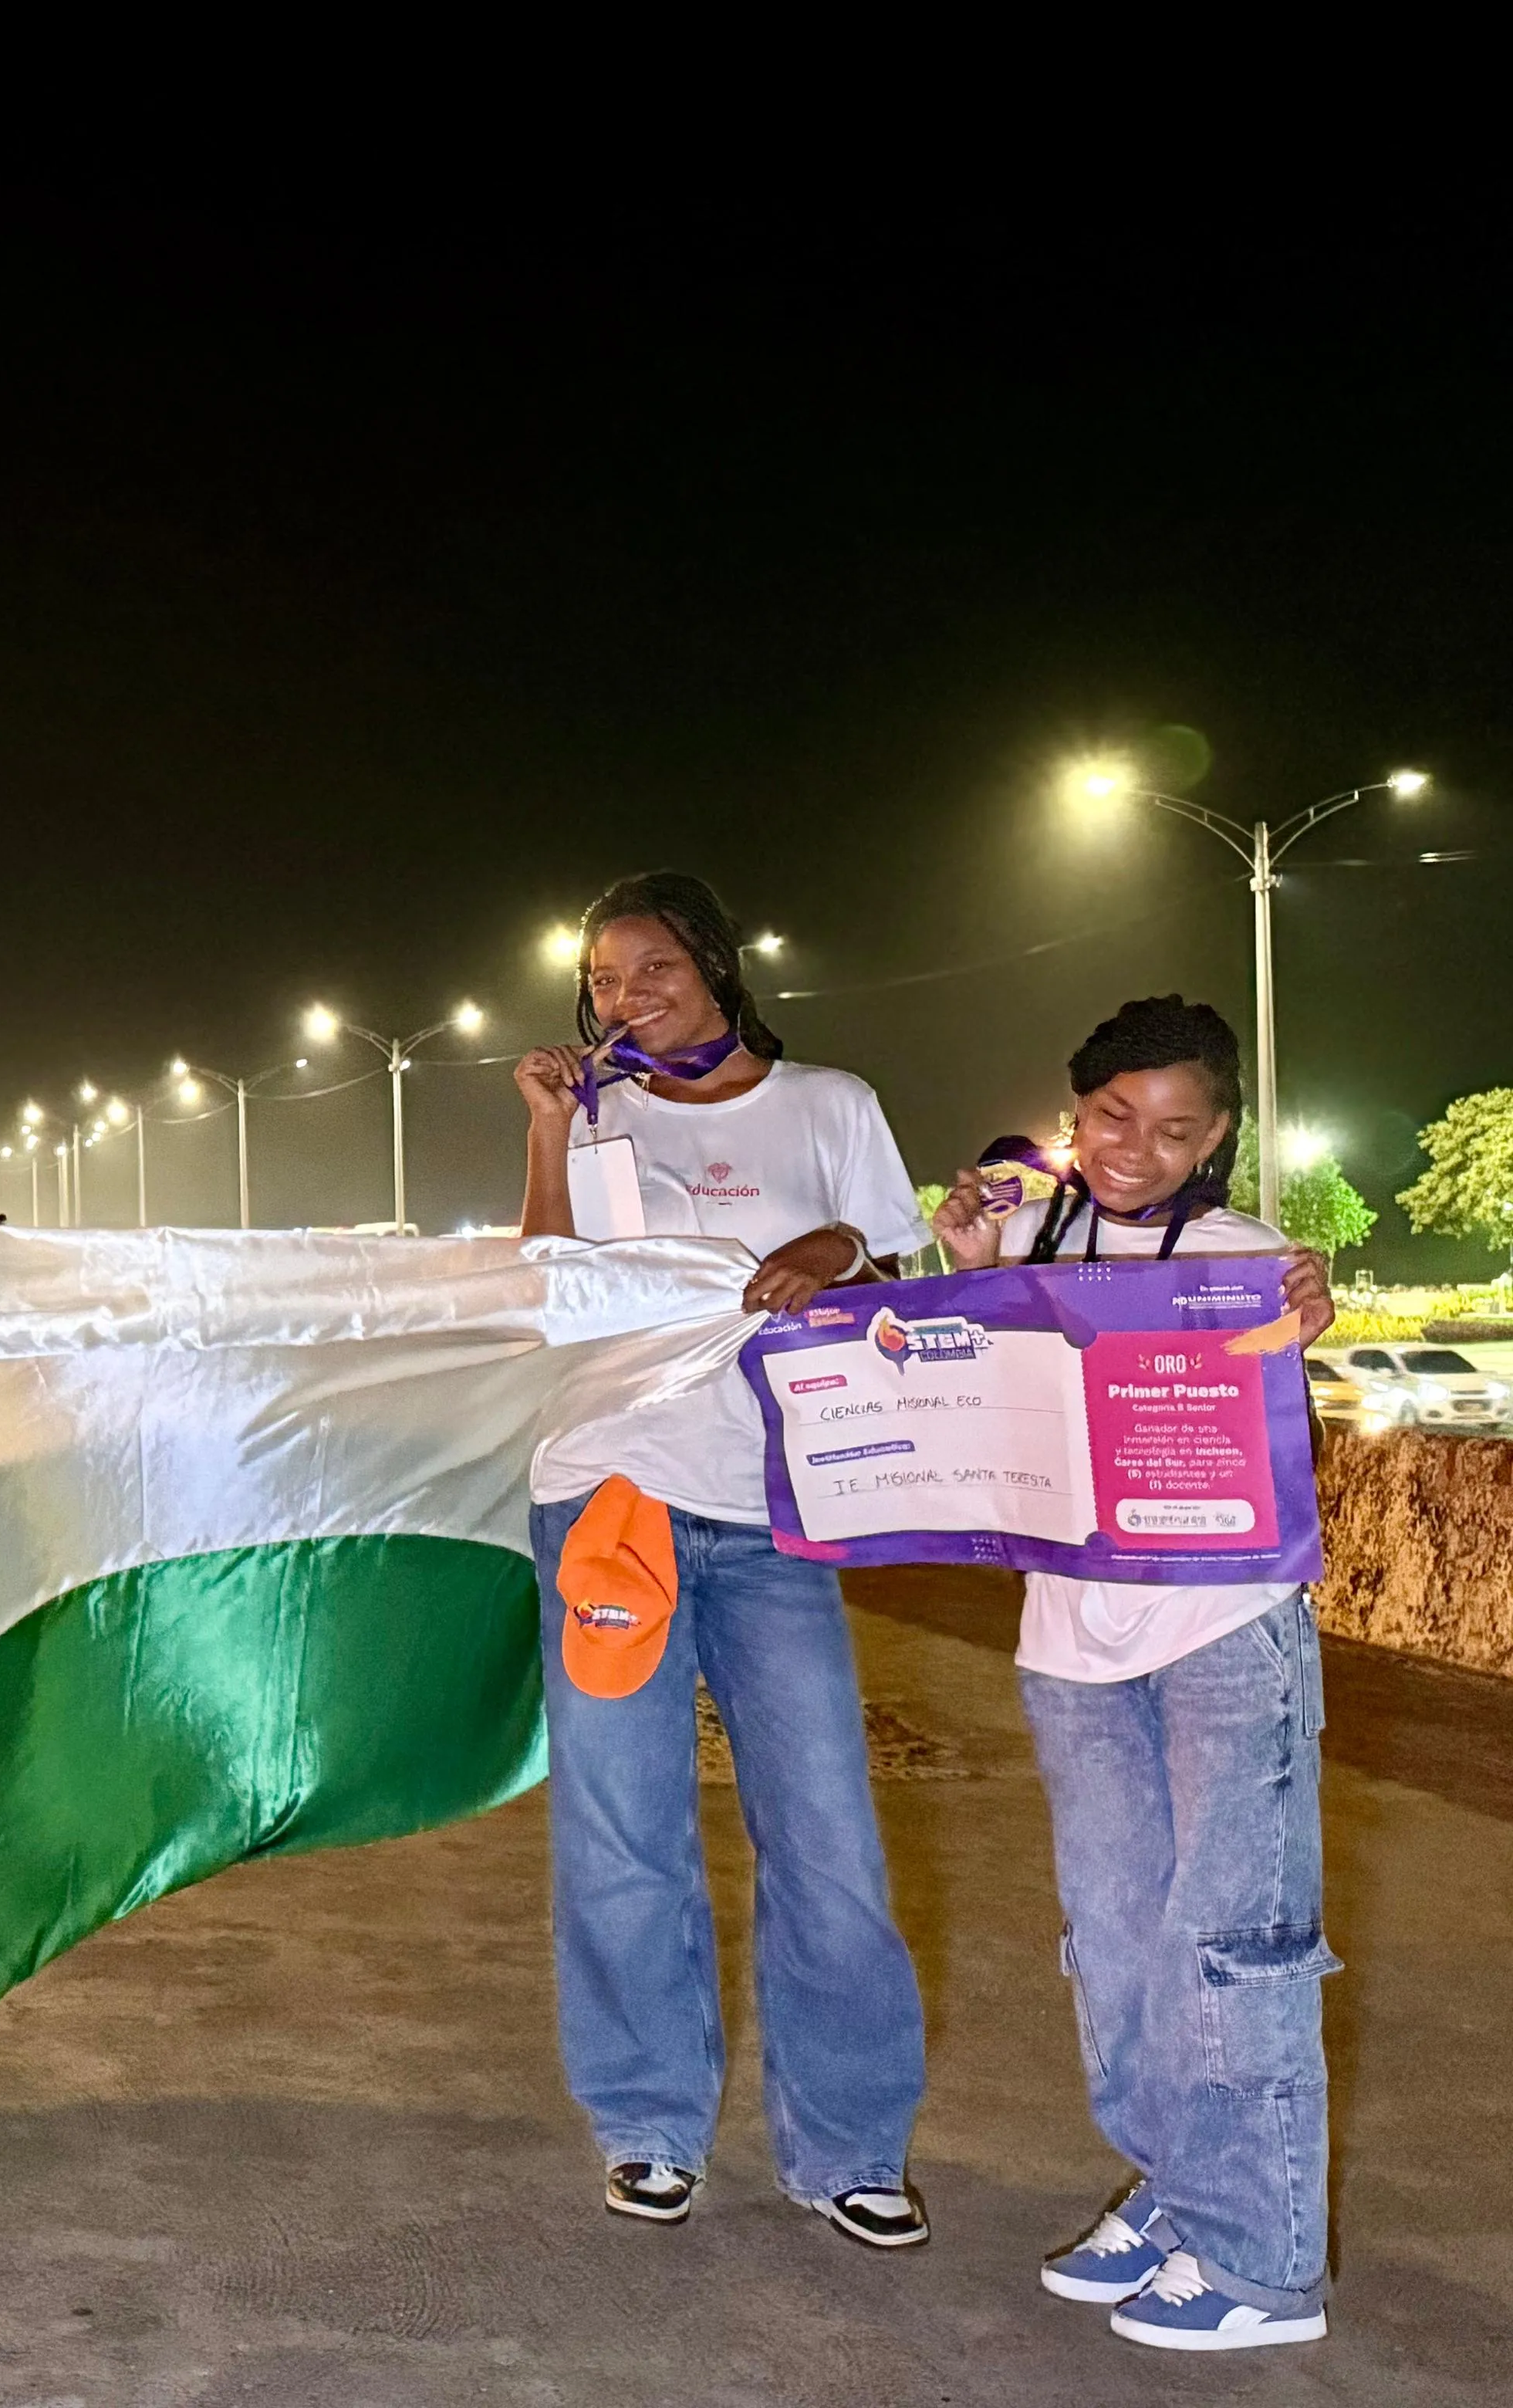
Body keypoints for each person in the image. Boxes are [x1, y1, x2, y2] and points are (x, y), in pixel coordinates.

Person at [512, 871, 934, 2247]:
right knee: (622, 1829)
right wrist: (547, 1129)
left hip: (773, 1510)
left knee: (826, 1834)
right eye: (601, 976)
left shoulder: (831, 1106)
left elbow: (903, 1289)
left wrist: (837, 1244)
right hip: (609, 1500)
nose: (623, 996)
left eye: (652, 968)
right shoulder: (599, 1114)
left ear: (715, 967)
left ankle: (850, 2145)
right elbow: (544, 1287)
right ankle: (647, 2125)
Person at [931, 996, 1337, 2352]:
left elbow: (1277, 1415)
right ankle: (1181, 2192)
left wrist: (1301, 1319)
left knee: (1234, 1943)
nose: (1137, 1150)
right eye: (1114, 1117)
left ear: (1216, 1139)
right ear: (1076, 1111)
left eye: (1175, 1130)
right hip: (1071, 1648)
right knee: (1115, 1943)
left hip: (1222, 1635)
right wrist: (963, 1267)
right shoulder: (1023, 1240)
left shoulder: (1245, 1257)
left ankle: (1264, 2265)